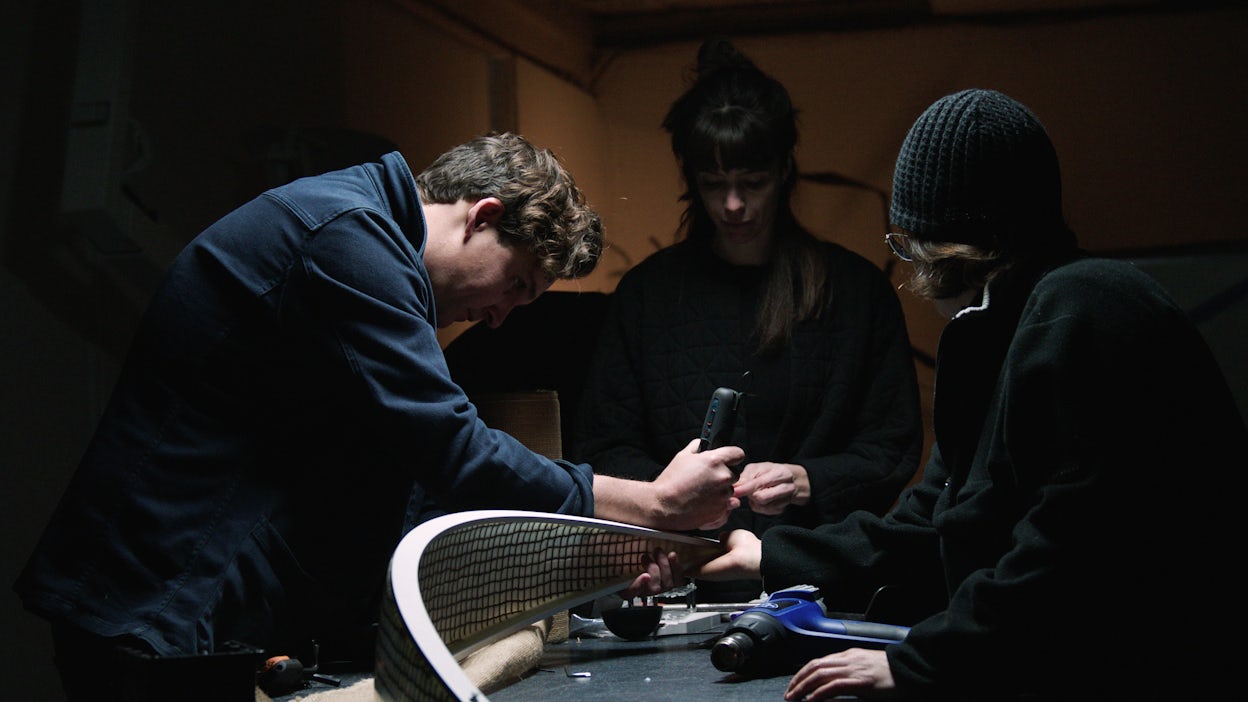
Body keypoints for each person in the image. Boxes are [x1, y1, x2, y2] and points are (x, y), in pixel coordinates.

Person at [14, 133, 743, 700]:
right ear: (482, 217)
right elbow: (454, 450)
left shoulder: (365, 251)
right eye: (515, 285)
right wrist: (651, 503)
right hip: (150, 615)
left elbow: (415, 490)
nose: (498, 319)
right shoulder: (346, 240)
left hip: (178, 618)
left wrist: (595, 556)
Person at [694, 89, 1245, 700]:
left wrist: (920, 663)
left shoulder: (1086, 309)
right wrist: (768, 556)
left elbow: (1069, 548)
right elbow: (931, 520)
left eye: (910, 244)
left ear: (949, 246)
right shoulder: (1003, 332)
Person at [572, 39, 923, 603]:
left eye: (752, 182)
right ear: (692, 178)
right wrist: (669, 498)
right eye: (714, 185)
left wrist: (809, 480)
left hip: (817, 576)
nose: (733, 205)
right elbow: (604, 440)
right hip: (679, 574)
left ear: (784, 170)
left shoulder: (854, 293)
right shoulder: (647, 296)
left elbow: (891, 444)